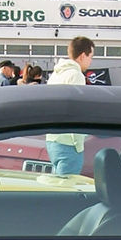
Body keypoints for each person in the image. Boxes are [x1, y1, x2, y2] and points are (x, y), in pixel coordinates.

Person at [46, 37, 95, 175]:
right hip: (69, 142)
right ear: (82, 55)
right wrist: (78, 144)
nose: (91, 61)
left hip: (53, 139)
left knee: (58, 186)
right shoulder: (76, 75)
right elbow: (76, 110)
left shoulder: (56, 75)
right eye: (90, 56)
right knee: (67, 189)